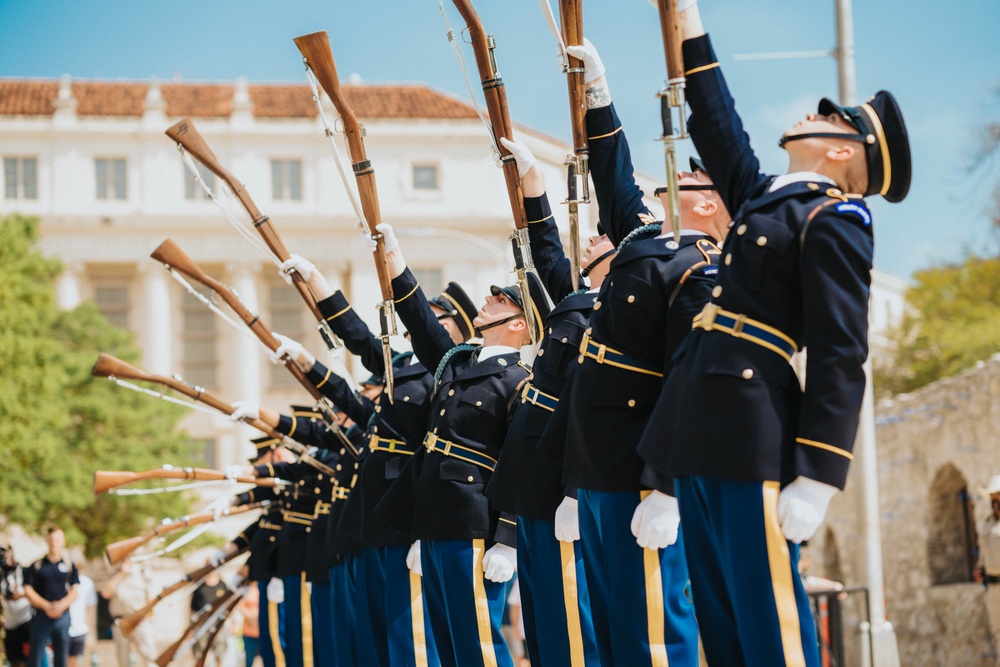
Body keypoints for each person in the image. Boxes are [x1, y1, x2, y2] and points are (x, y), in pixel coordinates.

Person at [636, 2, 911, 665]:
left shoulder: (835, 217)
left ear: (845, 151)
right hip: (703, 427)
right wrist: (687, 20)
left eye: (829, 115)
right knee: (723, 627)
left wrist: (819, 471)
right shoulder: (767, 198)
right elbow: (718, 122)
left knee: (770, 628)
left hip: (754, 431)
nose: (810, 112)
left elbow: (842, 350)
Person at [534, 36, 728, 667]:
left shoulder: (702, 269)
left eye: (695, 176)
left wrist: (665, 486)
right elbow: (613, 171)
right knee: (610, 624)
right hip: (596, 461)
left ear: (709, 203)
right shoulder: (650, 240)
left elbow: (688, 381)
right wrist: (598, 91)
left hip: (639, 464)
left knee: (652, 629)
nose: (679, 175)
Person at [372, 221, 547, 667]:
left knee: (478, 642)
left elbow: (519, 461)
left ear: (520, 325)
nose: (489, 300)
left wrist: (506, 537)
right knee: (447, 638)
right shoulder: (458, 361)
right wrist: (396, 263)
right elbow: (425, 327)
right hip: (433, 511)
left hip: (473, 517)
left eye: (501, 300)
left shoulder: (520, 381)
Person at [23, 527, 79, 667]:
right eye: (52, 540)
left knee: (61, 658)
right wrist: (46, 606)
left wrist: (61, 606)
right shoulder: (37, 565)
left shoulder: (69, 565)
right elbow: (28, 590)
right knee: (36, 656)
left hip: (62, 617)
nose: (54, 543)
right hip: (41, 616)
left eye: (58, 540)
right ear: (47, 541)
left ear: (63, 542)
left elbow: (75, 590)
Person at [99, 557, 156, 667]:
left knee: (150, 657)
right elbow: (106, 593)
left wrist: (145, 614)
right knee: (122, 660)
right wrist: (121, 573)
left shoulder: (143, 571)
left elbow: (152, 598)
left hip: (141, 620)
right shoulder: (114, 573)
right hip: (121, 621)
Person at [976, 475, 1000, 644]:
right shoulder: (988, 524)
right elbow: (985, 553)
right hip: (992, 586)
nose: (995, 504)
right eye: (993, 500)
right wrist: (980, 569)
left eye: (998, 498)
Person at [2, 543, 34, 667]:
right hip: (10, 624)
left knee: (29, 660)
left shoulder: (24, 571)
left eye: (5, 551)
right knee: (15, 661)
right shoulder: (2, 574)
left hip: (26, 621)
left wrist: (22, 595)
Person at [66, 562, 95, 667]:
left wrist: (91, 633)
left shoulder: (87, 583)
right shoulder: (60, 579)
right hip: (61, 629)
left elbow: (90, 609)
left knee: (76, 663)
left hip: (80, 630)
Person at [236, 579, 260, 667]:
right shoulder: (247, 590)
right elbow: (240, 604)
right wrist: (250, 615)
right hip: (249, 631)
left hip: (263, 632)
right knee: (250, 660)